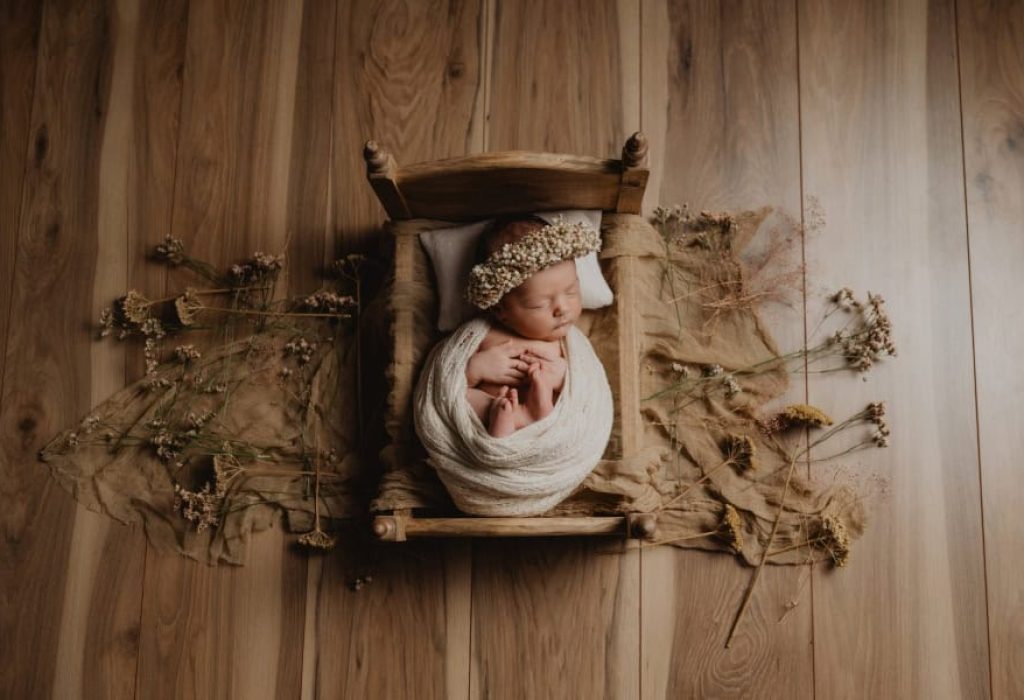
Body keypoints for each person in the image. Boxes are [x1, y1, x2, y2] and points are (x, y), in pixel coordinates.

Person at [462, 216, 594, 437]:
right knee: (463, 398)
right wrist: (475, 369)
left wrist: (565, 378)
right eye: (538, 304)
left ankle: (532, 417)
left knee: (563, 412)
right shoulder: (483, 335)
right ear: (500, 311)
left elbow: (589, 389)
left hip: (545, 430)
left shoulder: (568, 344)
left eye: (571, 291)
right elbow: (444, 383)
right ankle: (502, 419)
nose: (562, 308)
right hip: (486, 423)